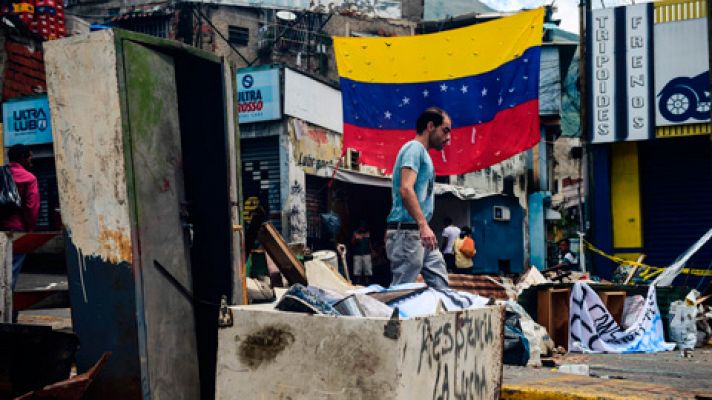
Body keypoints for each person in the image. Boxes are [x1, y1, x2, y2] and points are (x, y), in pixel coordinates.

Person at [385, 107, 451, 289]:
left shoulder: (424, 155)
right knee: (402, 291)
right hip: (409, 233)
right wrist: (423, 225)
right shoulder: (414, 148)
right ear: (430, 126)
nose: (448, 138)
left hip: (421, 234)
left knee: (441, 286)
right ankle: (391, 316)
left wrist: (424, 227)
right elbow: (406, 188)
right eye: (445, 130)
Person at [1, 144, 40, 289]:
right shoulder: (29, 178)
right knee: (11, 272)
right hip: (16, 229)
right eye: (30, 157)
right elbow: (32, 207)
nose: (31, 160)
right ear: (23, 158)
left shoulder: (1, 174)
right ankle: (6, 307)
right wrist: (30, 229)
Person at [351, 220, 373, 285]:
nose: (362, 228)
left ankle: (367, 283)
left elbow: (369, 242)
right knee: (357, 271)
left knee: (367, 270)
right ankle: (358, 283)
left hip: (366, 253)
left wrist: (372, 251)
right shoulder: (355, 233)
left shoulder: (367, 233)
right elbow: (352, 242)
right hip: (358, 254)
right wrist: (356, 238)